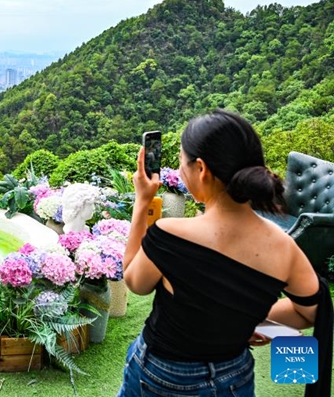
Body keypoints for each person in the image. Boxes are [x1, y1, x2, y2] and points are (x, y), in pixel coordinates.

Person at [118, 110, 329, 396]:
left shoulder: (170, 235)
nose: (180, 171)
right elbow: (313, 312)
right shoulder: (284, 247)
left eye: (182, 162)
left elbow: (134, 281)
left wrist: (142, 201)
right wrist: (242, 320)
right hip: (234, 377)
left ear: (201, 169)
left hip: (160, 375)